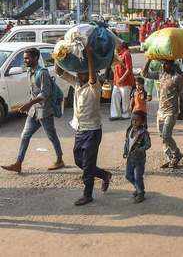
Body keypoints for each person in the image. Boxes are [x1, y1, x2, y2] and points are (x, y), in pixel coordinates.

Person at [56, 46, 112, 206]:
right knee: (79, 161)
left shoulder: (95, 87)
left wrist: (89, 55)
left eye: (82, 73)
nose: (79, 75)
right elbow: (60, 72)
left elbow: (92, 76)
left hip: (93, 131)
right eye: (78, 73)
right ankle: (104, 174)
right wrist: (58, 54)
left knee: (87, 165)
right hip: (80, 130)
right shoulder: (77, 84)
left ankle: (87, 195)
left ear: (88, 74)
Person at [1, 48, 65, 173]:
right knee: (25, 136)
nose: (25, 60)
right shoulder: (30, 70)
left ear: (35, 58)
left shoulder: (43, 73)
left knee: (52, 136)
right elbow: (33, 92)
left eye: (27, 58)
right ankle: (18, 163)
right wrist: (30, 107)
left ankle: (59, 160)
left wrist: (28, 104)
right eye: (24, 58)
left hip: (44, 111)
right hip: (33, 111)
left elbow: (44, 94)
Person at [142, 59, 183, 168]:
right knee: (162, 136)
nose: (164, 65)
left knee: (166, 135)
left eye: (166, 64)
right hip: (161, 111)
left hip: (172, 111)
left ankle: (177, 154)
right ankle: (170, 157)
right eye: (164, 64)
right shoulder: (161, 75)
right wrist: (149, 60)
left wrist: (182, 112)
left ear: (172, 65)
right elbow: (145, 73)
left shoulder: (177, 78)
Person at [123, 110, 151, 204]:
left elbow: (148, 145)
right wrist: (125, 151)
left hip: (139, 159)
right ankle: (139, 188)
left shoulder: (144, 133)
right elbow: (127, 142)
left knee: (138, 176)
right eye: (132, 120)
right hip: (130, 158)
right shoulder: (129, 130)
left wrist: (140, 149)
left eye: (137, 120)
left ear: (142, 122)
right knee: (128, 175)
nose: (134, 122)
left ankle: (140, 193)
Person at [110, 42, 135, 120]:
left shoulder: (126, 54)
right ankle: (115, 114)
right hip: (117, 81)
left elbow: (129, 69)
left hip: (125, 81)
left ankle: (126, 114)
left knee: (125, 98)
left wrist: (122, 78)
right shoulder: (118, 54)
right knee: (115, 96)